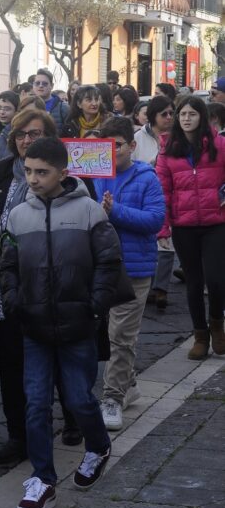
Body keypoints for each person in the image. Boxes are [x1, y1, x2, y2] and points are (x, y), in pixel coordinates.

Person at [0, 137, 122, 508]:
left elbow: (108, 261)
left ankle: (98, 445)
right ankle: (43, 479)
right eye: (29, 171)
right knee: (35, 403)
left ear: (62, 173)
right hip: (33, 326)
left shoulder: (89, 212)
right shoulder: (19, 215)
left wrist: (95, 306)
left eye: (42, 172)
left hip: (77, 325)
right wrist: (13, 301)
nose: (33, 179)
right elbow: (7, 264)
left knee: (79, 398)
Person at [0, 107, 57, 466]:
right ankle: (18, 435)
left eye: (36, 134)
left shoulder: (67, 181)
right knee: (11, 364)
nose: (28, 140)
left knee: (50, 364)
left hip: (51, 289)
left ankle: (61, 422)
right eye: (22, 134)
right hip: (6, 288)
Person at [93, 117, 165, 431]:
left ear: (131, 146)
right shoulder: (93, 174)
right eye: (105, 146)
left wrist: (115, 211)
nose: (111, 151)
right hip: (98, 265)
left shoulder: (147, 177)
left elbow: (155, 220)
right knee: (106, 334)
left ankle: (112, 397)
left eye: (117, 145)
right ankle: (128, 384)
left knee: (121, 336)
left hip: (134, 268)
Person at [156, 96, 225, 360]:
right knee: (194, 282)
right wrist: (163, 228)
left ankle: (217, 322)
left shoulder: (220, 145)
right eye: (182, 114)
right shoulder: (168, 148)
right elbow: (162, 189)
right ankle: (200, 335)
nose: (186, 118)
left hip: (216, 223)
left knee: (217, 280)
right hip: (183, 225)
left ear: (202, 117)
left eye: (192, 114)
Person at [133, 96, 176, 310]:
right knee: (147, 238)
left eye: (171, 113)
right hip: (145, 192)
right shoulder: (139, 137)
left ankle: (161, 289)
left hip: (171, 193)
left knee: (167, 243)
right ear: (153, 117)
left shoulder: (179, 137)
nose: (169, 118)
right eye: (164, 114)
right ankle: (147, 284)